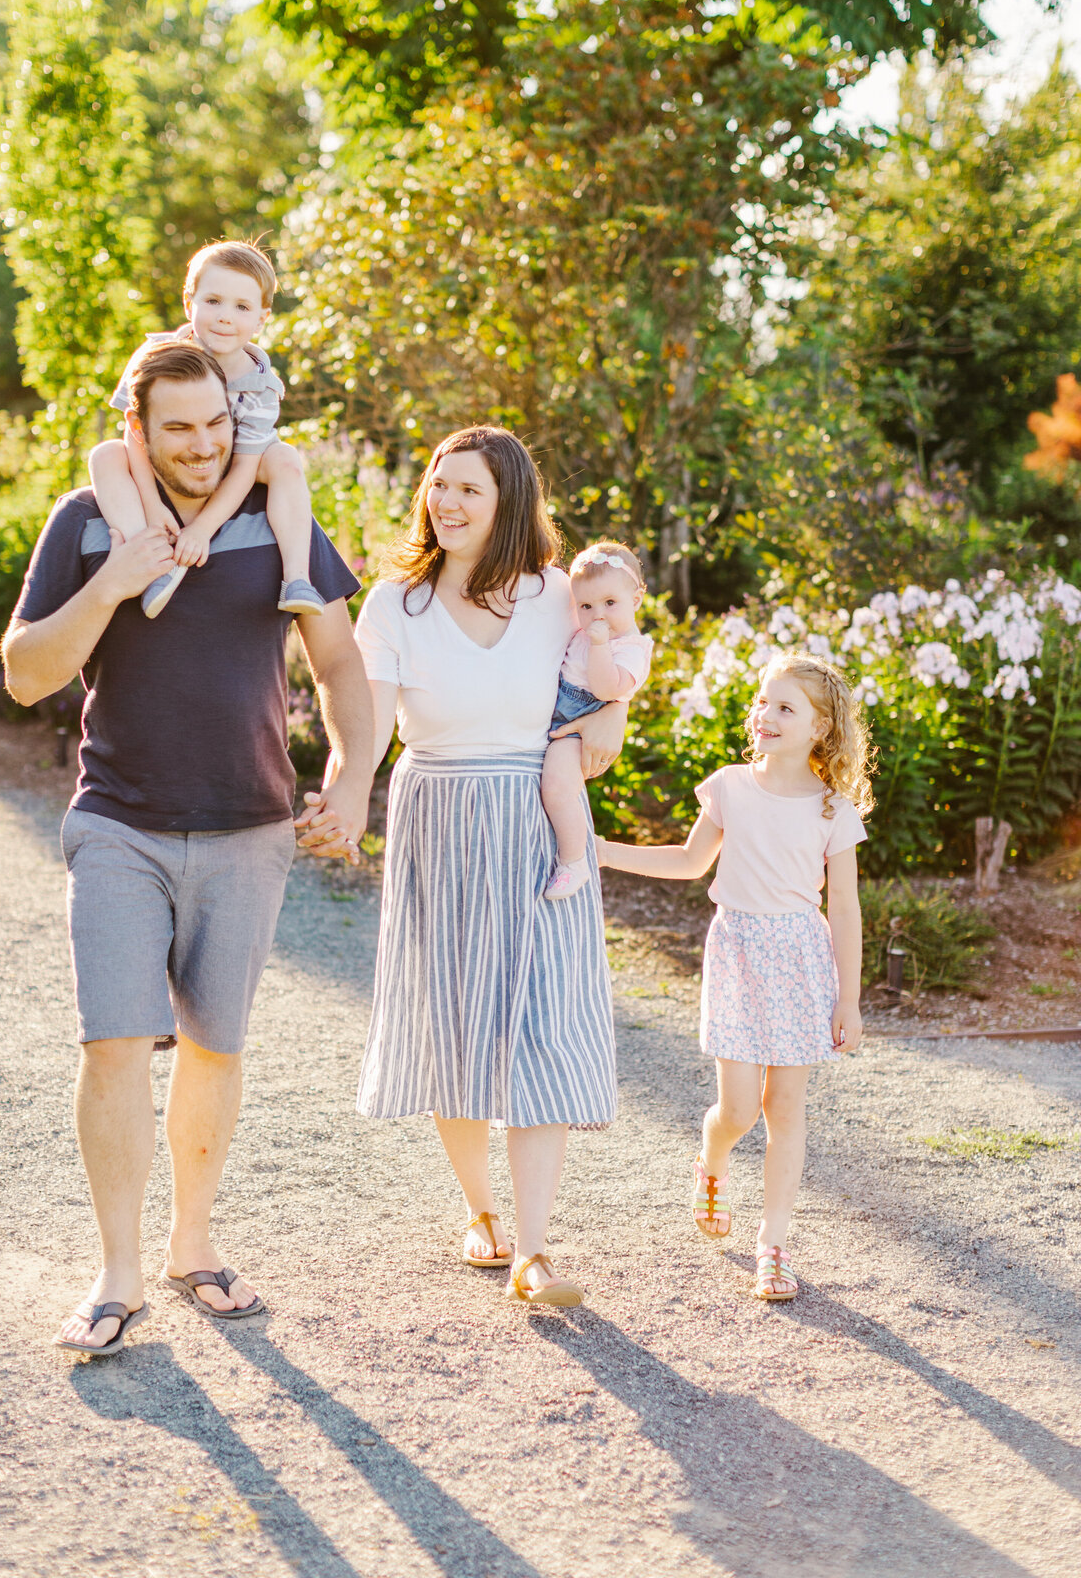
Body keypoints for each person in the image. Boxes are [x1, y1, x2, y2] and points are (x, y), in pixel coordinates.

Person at [1, 340, 374, 1355]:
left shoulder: (275, 517)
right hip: (118, 821)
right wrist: (113, 581)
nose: (205, 445)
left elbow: (342, 666)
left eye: (217, 422)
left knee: (215, 1045)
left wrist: (352, 774)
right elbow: (27, 672)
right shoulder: (86, 524)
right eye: (179, 428)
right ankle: (117, 1274)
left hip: (250, 829)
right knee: (113, 1041)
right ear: (137, 429)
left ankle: (191, 1244)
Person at [346, 425, 626, 1308]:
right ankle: (482, 1213)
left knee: (541, 1020)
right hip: (437, 814)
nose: (447, 500)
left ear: (509, 501)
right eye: (438, 482)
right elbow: (363, 733)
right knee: (455, 1021)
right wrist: (341, 797)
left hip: (540, 824)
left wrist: (585, 740)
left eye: (468, 487)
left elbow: (601, 733)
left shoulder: (556, 597)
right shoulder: (396, 603)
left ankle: (535, 1251)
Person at [596, 652, 871, 1303]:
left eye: (786, 707)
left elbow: (846, 908)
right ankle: (712, 1157)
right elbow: (692, 863)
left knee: (785, 1110)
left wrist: (849, 1000)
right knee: (740, 1109)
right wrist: (603, 851)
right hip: (739, 953)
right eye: (764, 703)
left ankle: (773, 1246)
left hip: (802, 961)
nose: (766, 716)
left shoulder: (833, 811)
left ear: (822, 728)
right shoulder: (730, 787)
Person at [88, 238, 324, 620]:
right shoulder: (155, 356)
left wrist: (202, 530)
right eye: (213, 301)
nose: (225, 317)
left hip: (235, 461)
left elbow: (246, 466)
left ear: (262, 319)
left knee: (284, 459)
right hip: (171, 457)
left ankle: (297, 577)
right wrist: (151, 504)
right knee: (105, 455)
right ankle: (147, 559)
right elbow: (135, 433)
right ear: (189, 303)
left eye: (242, 307)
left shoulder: (261, 386)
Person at [540, 542, 653, 900]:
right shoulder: (589, 630)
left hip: (582, 721)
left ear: (635, 600)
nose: (597, 614)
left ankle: (574, 861)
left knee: (557, 788)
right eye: (586, 606)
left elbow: (607, 689)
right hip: (558, 707)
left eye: (609, 603)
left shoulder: (632, 649)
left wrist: (600, 646)